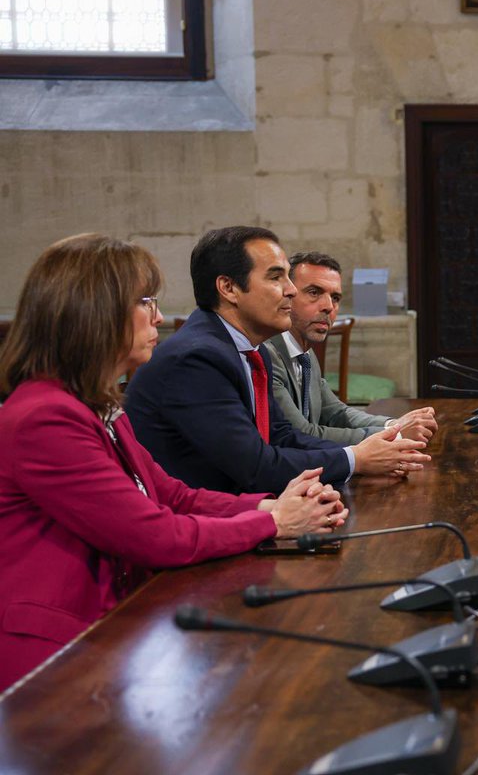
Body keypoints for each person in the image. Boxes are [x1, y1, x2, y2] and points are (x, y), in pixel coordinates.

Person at [0, 234, 347, 691]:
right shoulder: (45, 416)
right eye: (145, 302)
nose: (159, 317)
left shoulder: (96, 404)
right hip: (55, 651)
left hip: (112, 624)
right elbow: (152, 534)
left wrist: (271, 506)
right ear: (93, 311)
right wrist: (273, 523)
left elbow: (171, 494)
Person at [126, 226, 429, 494]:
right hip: (197, 525)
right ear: (228, 288)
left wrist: (363, 452)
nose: (291, 290)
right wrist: (356, 459)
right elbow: (256, 467)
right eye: (275, 277)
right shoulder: (196, 358)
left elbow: (282, 436)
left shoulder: (250, 350)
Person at [265, 251, 438, 445]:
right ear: (287, 295)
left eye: (336, 298)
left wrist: (394, 424)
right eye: (314, 293)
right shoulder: (268, 355)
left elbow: (338, 413)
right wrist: (397, 435)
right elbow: (301, 434)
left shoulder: (306, 355)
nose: (328, 307)